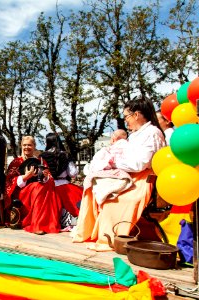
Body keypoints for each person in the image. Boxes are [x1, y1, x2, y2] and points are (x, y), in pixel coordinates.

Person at [71, 97, 166, 251]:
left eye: (126, 116)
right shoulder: (137, 134)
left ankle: (111, 237)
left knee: (113, 200)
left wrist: (113, 162)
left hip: (143, 179)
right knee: (94, 187)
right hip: (132, 176)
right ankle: (95, 232)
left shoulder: (152, 132)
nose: (125, 121)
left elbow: (140, 163)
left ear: (136, 115)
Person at [5, 136, 61, 235]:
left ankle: (45, 222)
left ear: (34, 146)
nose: (27, 147)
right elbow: (9, 181)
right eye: (25, 145)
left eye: (29, 145)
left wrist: (45, 177)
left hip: (39, 191)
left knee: (44, 187)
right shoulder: (16, 162)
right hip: (21, 194)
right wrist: (25, 177)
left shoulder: (41, 162)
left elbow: (50, 178)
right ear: (21, 146)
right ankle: (37, 225)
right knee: (38, 187)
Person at [39, 133, 83, 229]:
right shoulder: (65, 155)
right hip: (65, 185)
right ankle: (71, 221)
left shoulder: (42, 155)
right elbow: (73, 173)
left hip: (49, 187)